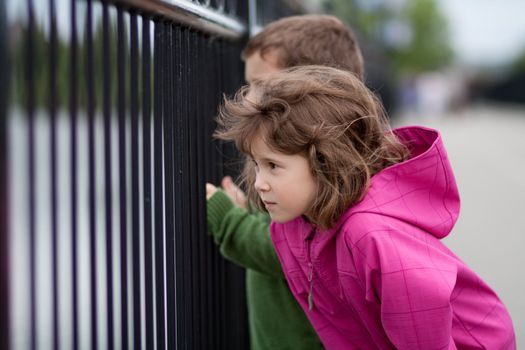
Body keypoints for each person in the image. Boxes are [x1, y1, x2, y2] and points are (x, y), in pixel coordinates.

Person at [214, 65, 516, 349]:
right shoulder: (298, 223)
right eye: (257, 164)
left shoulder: (370, 236)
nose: (258, 183)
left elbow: (425, 324)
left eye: (273, 166)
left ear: (325, 162)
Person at [206, 15, 364, 350]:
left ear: (313, 88)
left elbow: (296, 251)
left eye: (261, 86)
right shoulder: (305, 168)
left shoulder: (331, 180)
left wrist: (231, 224)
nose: (249, 100)